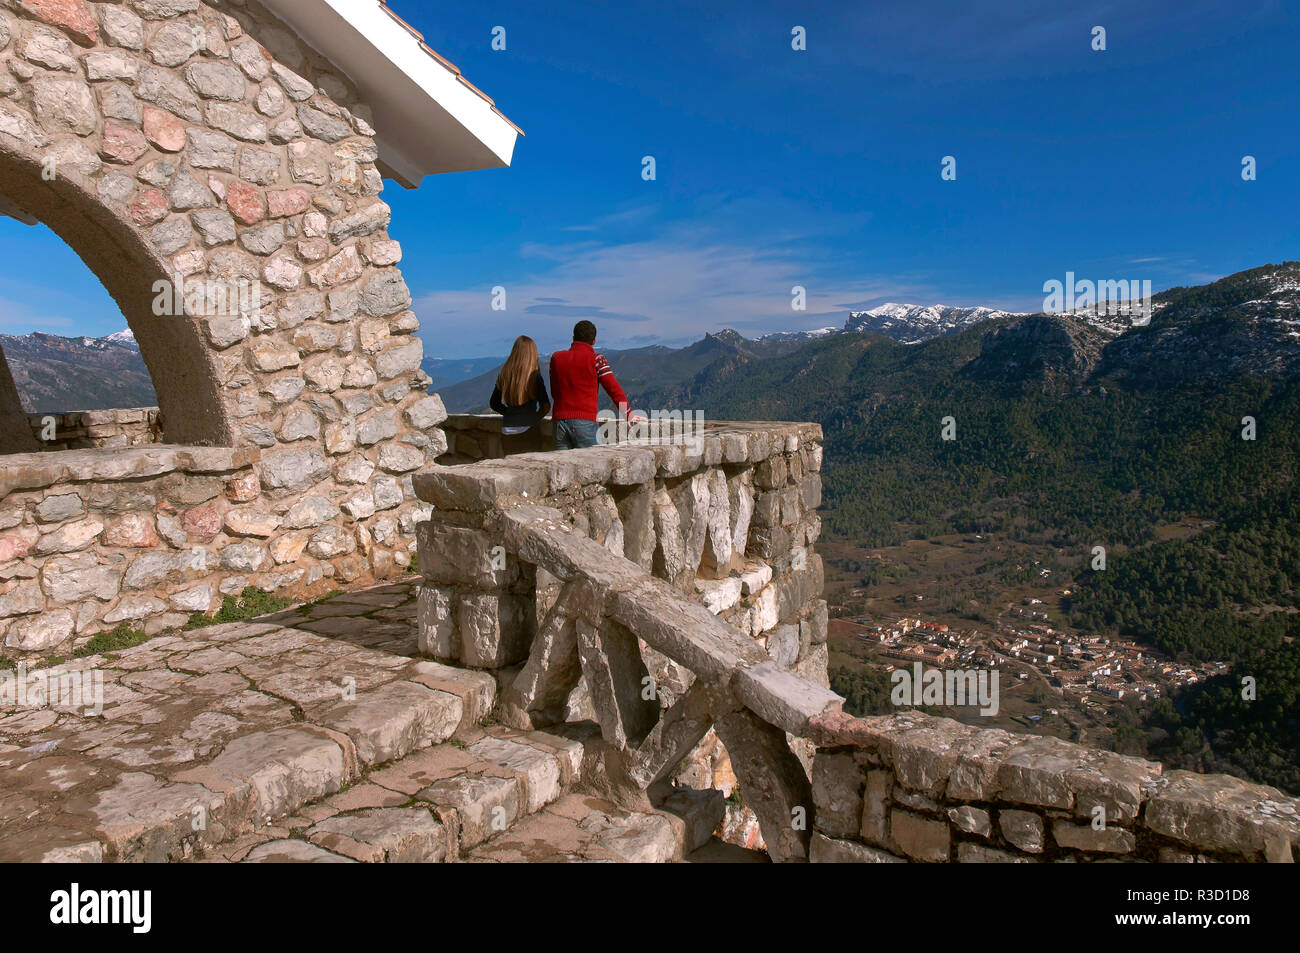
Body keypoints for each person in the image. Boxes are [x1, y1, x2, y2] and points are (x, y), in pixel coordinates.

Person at [548, 320, 636, 450]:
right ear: (594, 341)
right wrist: (628, 414)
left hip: (559, 421)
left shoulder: (556, 358)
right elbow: (614, 390)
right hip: (584, 421)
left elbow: (554, 392)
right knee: (590, 466)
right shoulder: (596, 359)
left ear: (573, 338)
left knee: (562, 467)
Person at [490, 335, 551, 455]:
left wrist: (510, 413)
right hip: (529, 430)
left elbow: (494, 403)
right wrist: (534, 417)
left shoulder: (504, 374)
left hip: (507, 431)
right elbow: (546, 406)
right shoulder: (534, 377)